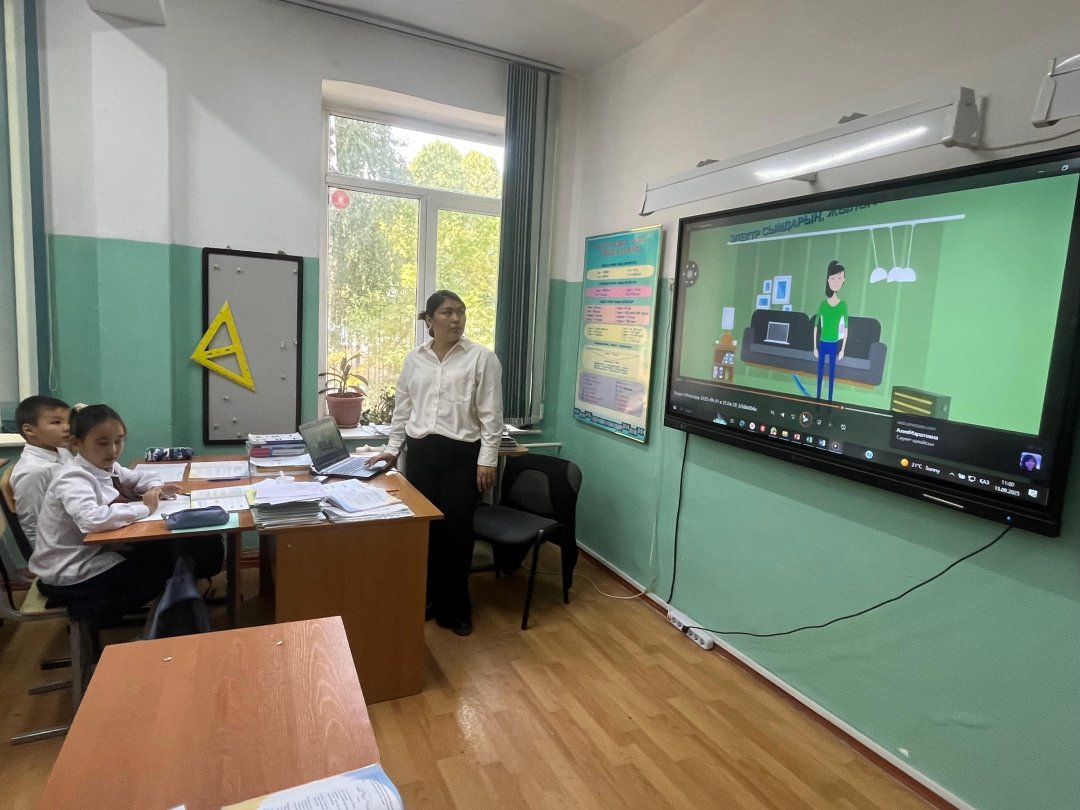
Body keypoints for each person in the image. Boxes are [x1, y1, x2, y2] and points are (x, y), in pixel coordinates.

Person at [366, 290, 503, 636]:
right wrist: (392, 449)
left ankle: (456, 609)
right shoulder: (414, 359)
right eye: (447, 312)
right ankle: (427, 599)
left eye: (460, 312)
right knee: (425, 530)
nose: (456, 319)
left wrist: (487, 459)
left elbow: (491, 415)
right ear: (429, 320)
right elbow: (403, 410)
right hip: (421, 455)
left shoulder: (481, 358)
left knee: (457, 533)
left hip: (461, 456)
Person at [30, 404, 222, 623]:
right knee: (167, 562)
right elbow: (91, 519)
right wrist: (145, 508)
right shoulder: (73, 477)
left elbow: (139, 477)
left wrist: (155, 489)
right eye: (102, 443)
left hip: (98, 553)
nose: (113, 450)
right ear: (76, 443)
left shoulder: (104, 466)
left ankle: (179, 605)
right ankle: (155, 620)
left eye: (119, 441)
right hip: (72, 572)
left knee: (189, 545)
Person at [10, 395, 73, 551]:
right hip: (64, 551)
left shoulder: (62, 451)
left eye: (69, 421)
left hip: (81, 528)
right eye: (56, 422)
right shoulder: (33, 471)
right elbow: (32, 525)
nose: (67, 427)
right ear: (29, 430)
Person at [813, 260, 849, 401]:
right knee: (820, 372)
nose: (836, 281)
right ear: (828, 280)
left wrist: (843, 350)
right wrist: (815, 347)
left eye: (839, 278)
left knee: (832, 373)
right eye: (833, 278)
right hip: (822, 342)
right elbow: (816, 326)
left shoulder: (843, 305)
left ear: (843, 280)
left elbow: (845, 328)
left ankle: (830, 400)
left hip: (834, 343)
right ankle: (817, 398)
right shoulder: (823, 304)